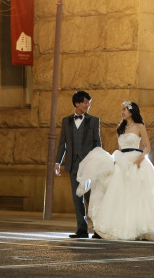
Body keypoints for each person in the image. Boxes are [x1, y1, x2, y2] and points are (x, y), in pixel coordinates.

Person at [76, 101, 154, 241]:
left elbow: (147, 147)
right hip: (121, 159)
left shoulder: (140, 126)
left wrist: (139, 160)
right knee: (116, 192)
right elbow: (120, 148)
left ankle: (142, 227)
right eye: (122, 109)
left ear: (131, 111)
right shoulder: (120, 128)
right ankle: (111, 226)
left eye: (124, 109)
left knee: (138, 195)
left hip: (136, 160)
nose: (122, 111)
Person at [54, 90, 102, 239]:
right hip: (73, 164)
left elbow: (97, 143)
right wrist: (57, 162)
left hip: (89, 165)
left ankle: (99, 230)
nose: (88, 105)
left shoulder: (94, 121)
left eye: (89, 103)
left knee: (91, 198)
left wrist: (99, 162)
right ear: (77, 103)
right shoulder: (66, 121)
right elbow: (62, 143)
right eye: (85, 102)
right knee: (77, 198)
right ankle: (82, 230)